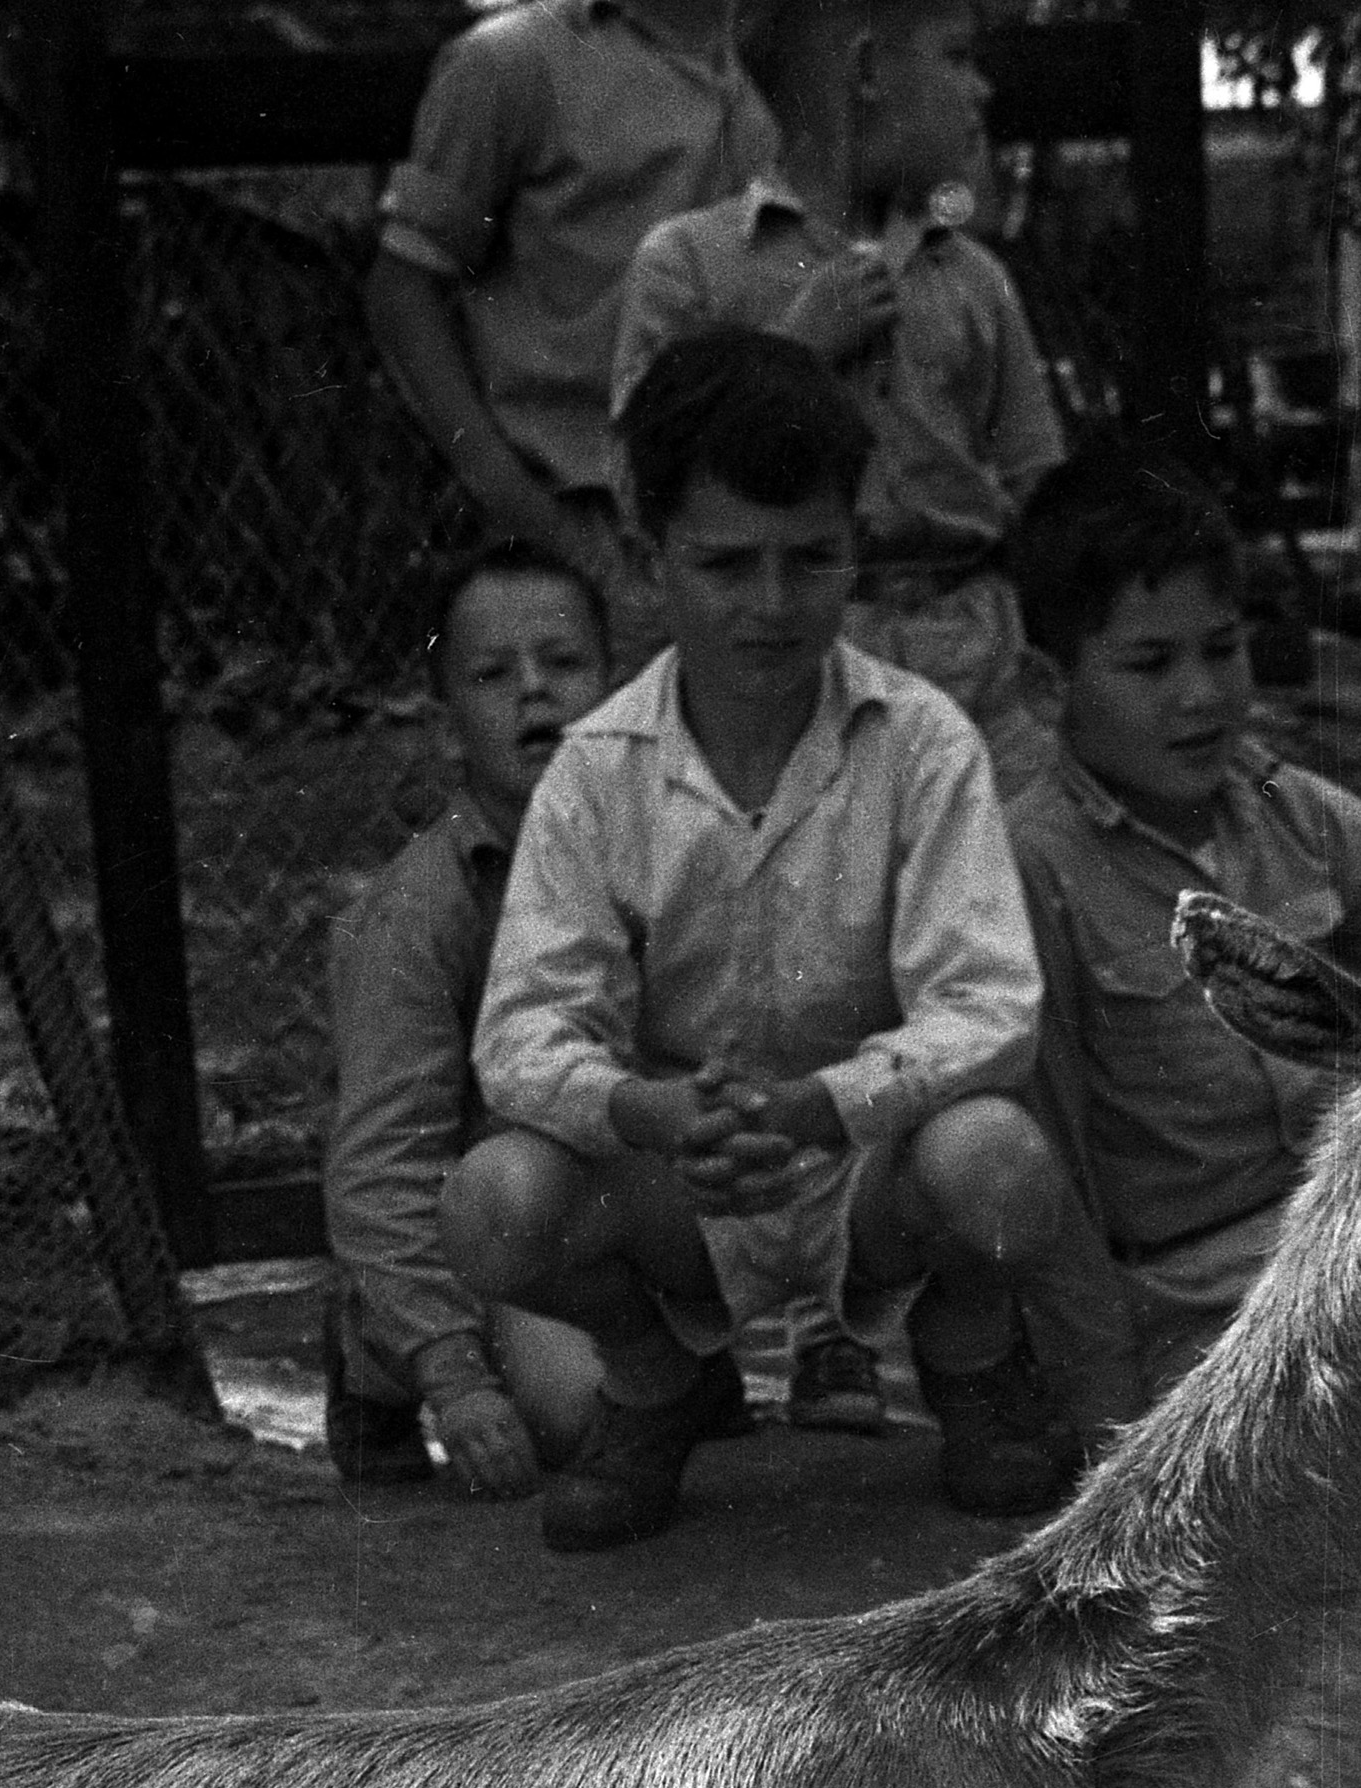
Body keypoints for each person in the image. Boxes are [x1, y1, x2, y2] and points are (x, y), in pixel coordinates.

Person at [448, 325, 1078, 1553]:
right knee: (493, 1203)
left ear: (858, 544)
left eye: (812, 560)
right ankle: (656, 1376)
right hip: (685, 1177)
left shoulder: (922, 740)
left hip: (866, 1166)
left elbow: (990, 1003)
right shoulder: (596, 772)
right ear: (648, 557)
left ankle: (965, 1354)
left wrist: (822, 1103)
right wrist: (648, 1114)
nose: (772, 604)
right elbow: (521, 1032)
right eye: (726, 563)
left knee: (997, 1160)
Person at [999, 442, 1361, 1563]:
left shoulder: (1286, 803)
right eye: (1149, 662)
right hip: (1202, 1311)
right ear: (1047, 688)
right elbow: (1051, 1178)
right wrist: (1106, 1427)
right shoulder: (1031, 863)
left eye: (1221, 650)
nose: (1200, 695)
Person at [613, 0, 1067, 1439]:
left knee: (1007, 954)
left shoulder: (971, 279)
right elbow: (651, 486)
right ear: (869, 74)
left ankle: (979, 1314)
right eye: (956, 56)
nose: (980, 85)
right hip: (800, 646)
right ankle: (806, 1324)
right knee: (809, 959)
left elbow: (1034, 487)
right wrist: (786, 355)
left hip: (972, 649)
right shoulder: (689, 265)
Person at [319, 548, 627, 1501]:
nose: (535, 692)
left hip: (621, 1192)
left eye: (564, 663)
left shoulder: (662, 855)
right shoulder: (419, 911)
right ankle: (375, 1347)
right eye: (493, 675)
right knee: (579, 1416)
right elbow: (381, 1164)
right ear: (448, 721)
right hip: (499, 1221)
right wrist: (454, 1378)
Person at [365, 0, 776, 668]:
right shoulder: (513, 61)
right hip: (594, 536)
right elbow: (402, 291)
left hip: (769, 530)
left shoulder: (792, 51)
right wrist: (535, 517)